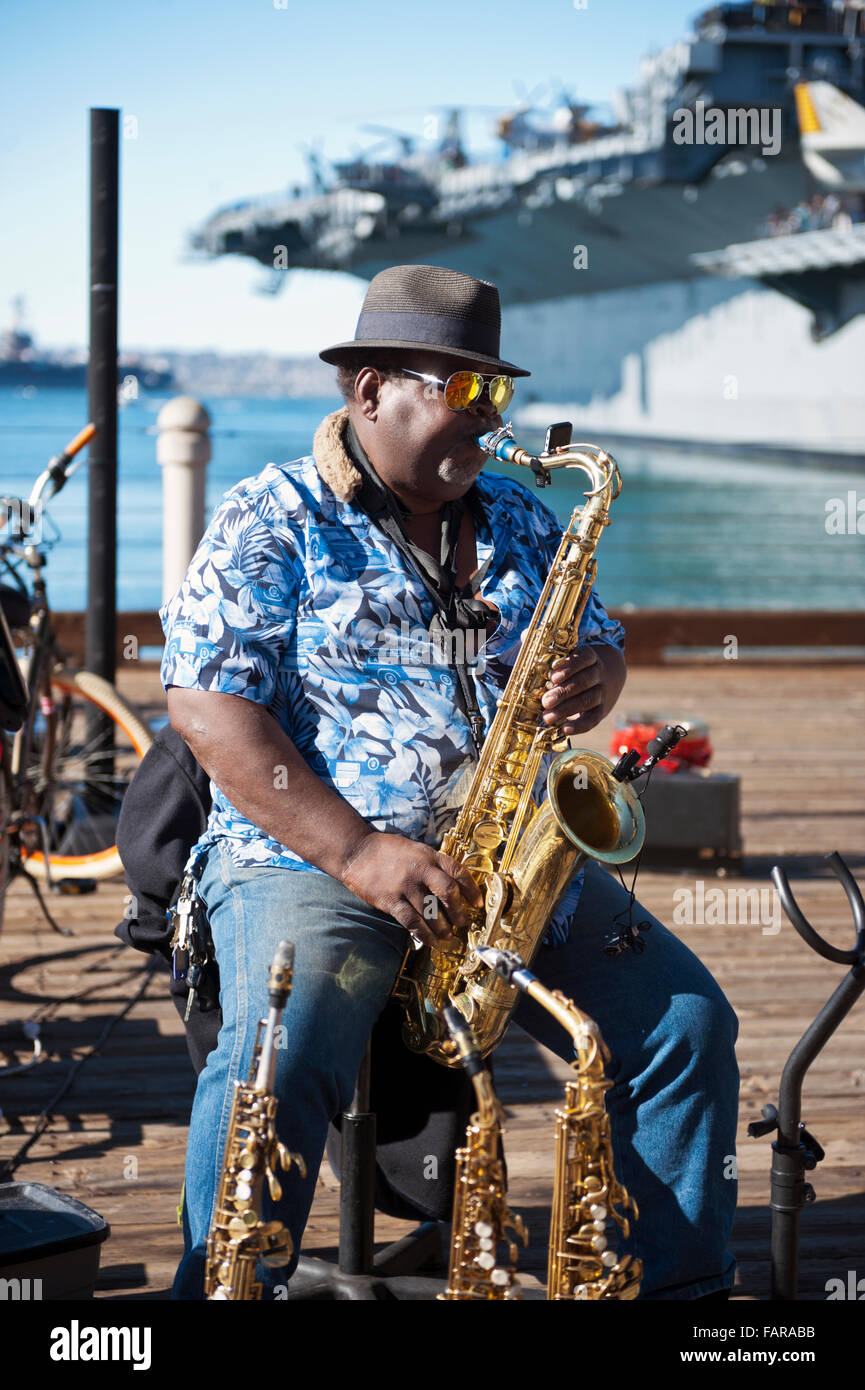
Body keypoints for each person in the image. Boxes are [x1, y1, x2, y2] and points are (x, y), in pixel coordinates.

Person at [162, 263, 739, 1301]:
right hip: (313, 859)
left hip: (506, 858)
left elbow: (599, 642)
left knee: (686, 1023)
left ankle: (680, 1299)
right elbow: (207, 706)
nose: (485, 418)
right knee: (276, 1058)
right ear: (368, 387)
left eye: (495, 394)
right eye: (455, 389)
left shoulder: (517, 518)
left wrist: (597, 674)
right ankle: (219, 1293)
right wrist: (356, 850)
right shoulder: (271, 516)